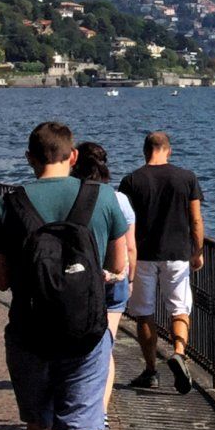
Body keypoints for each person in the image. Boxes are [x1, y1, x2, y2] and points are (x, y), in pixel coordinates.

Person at [0, 121, 127, 430]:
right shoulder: (102, 198)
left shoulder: (9, 203)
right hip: (86, 334)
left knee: (39, 424)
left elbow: (1, 280)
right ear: (71, 156)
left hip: (28, 332)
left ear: (30, 158)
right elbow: (119, 268)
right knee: (81, 429)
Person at [118, 131, 204, 395]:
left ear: (145, 151)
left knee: (144, 313)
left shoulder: (131, 181)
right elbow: (196, 220)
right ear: (169, 150)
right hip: (177, 253)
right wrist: (197, 251)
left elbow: (124, 223)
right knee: (179, 309)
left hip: (143, 255)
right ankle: (179, 352)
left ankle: (151, 370)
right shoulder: (186, 178)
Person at [74, 142, 136, 414]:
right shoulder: (118, 198)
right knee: (105, 346)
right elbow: (129, 247)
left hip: (79, 279)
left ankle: (77, 402)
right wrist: (129, 278)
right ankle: (101, 411)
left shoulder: (71, 194)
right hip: (114, 279)